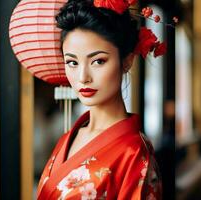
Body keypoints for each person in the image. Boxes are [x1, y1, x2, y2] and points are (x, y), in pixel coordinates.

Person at [36, 0, 163, 199]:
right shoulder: (68, 137)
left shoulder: (134, 152)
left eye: (98, 61)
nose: (82, 76)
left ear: (127, 61)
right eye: (72, 62)